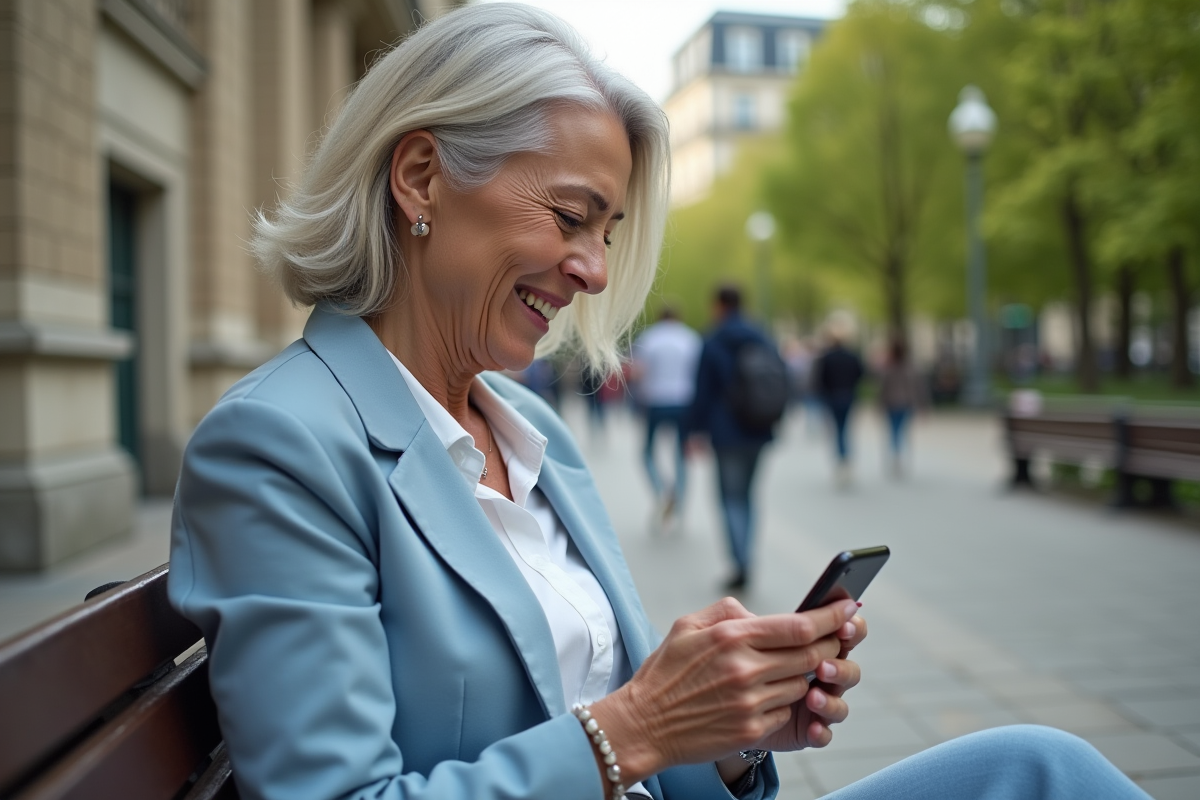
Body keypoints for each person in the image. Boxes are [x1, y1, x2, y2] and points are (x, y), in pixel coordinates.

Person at [167, 5, 1150, 800]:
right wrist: (637, 727)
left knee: (1036, 764)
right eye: (571, 216)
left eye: (609, 229)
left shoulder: (534, 430)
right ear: (422, 176)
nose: (595, 270)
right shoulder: (279, 444)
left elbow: (622, 730)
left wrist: (725, 733)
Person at [684, 285, 778, 591]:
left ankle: (740, 562)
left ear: (719, 305)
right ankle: (747, 555)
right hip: (760, 428)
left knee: (730, 498)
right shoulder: (761, 336)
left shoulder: (713, 340)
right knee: (749, 496)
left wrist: (694, 430)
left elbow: (702, 391)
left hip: (726, 432)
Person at [630, 306, 701, 526]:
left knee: (647, 452)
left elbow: (638, 372)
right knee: (681, 454)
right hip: (683, 401)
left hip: (655, 401)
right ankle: (678, 500)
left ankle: (662, 491)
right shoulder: (691, 338)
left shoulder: (650, 338)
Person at [813, 321, 864, 487]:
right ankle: (845, 459)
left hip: (832, 397)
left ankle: (841, 460)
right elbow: (860, 374)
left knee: (837, 429)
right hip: (848, 395)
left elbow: (820, 379)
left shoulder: (827, 357)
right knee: (844, 428)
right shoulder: (852, 356)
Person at [877, 339, 926, 477]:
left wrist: (879, 405)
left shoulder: (889, 368)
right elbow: (920, 388)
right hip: (905, 404)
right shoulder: (912, 367)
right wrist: (923, 406)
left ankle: (896, 457)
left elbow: (882, 389)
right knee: (902, 431)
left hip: (893, 404)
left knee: (894, 431)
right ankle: (899, 457)